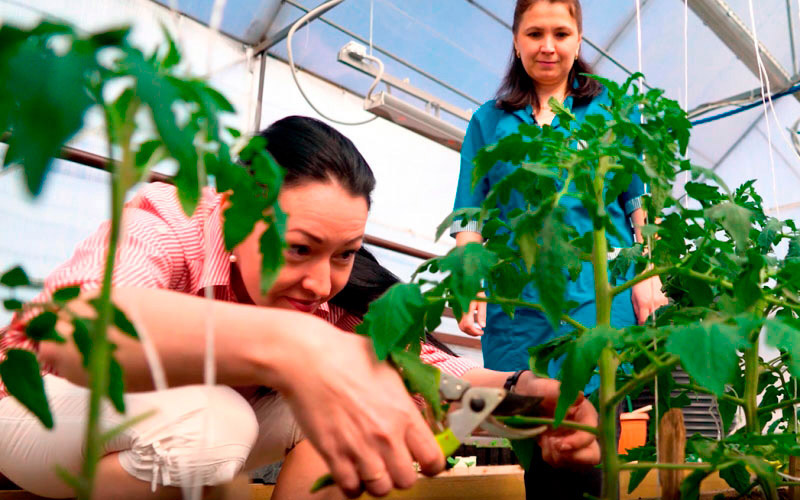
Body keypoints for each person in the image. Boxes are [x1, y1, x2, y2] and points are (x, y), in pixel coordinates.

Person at [0, 116, 598, 500]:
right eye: (298, 248)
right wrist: (290, 345)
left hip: (181, 438)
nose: (320, 283)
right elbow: (69, 331)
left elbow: (433, 375)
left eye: (344, 254)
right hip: (35, 407)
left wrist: (529, 397)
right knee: (216, 423)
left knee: (352, 407)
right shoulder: (173, 220)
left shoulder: (336, 293)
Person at [450, 0, 668, 497]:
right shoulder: (488, 121)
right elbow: (470, 213)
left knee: (590, 440)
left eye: (561, 33)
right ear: (516, 40)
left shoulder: (612, 107)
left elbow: (639, 201)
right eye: (534, 34)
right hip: (520, 304)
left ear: (578, 39)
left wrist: (648, 273)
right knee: (541, 445)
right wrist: (467, 283)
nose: (548, 46)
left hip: (598, 296)